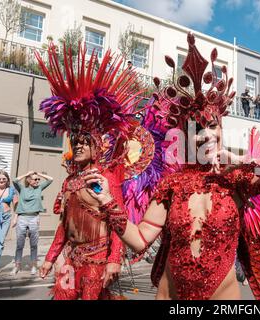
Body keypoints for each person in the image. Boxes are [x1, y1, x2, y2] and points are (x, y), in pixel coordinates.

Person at [98, 33, 260, 300]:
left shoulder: (238, 179)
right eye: (196, 129)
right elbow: (139, 239)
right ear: (184, 136)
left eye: (212, 126)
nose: (205, 135)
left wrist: (247, 162)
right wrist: (108, 203)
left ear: (221, 128)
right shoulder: (171, 185)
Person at [35, 42, 167, 300]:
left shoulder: (104, 179)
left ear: (97, 146)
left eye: (85, 141)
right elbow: (64, 227)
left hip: (96, 261)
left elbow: (118, 222)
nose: (79, 145)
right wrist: (51, 259)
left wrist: (114, 260)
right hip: (70, 259)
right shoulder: (70, 181)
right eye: (75, 141)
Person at [10, 171, 53, 275]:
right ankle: (17, 266)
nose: (37, 181)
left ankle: (33, 266)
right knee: (20, 244)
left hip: (34, 218)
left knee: (34, 244)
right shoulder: (22, 189)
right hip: (22, 218)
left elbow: (51, 179)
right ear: (29, 181)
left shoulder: (39, 188)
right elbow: (14, 180)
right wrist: (26, 174)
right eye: (35, 179)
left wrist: (39, 174)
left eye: (38, 179)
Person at [0, 170, 18, 273]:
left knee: (0, 241)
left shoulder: (12, 190)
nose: (1, 180)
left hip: (6, 217)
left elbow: (16, 205)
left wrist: (15, 218)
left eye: (4, 178)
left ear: (7, 180)